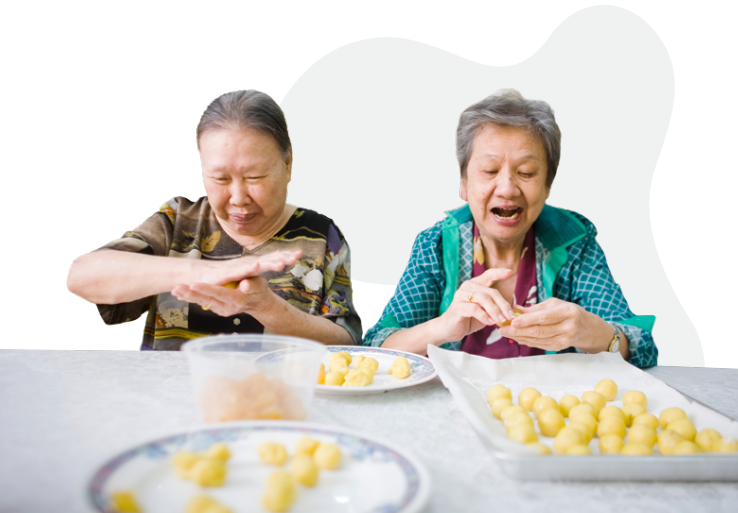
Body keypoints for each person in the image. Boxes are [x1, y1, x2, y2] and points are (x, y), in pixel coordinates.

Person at [361, 89, 656, 368]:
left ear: (547, 185)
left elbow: (642, 347)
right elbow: (375, 347)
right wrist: (443, 326)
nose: (507, 188)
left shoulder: (574, 242)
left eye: (526, 172)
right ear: (464, 184)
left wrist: (596, 334)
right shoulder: (436, 244)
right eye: (489, 171)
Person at [67, 90, 361, 350]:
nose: (238, 197)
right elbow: (82, 277)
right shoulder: (179, 220)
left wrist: (266, 306)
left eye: (254, 177)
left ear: (287, 164)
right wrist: (201, 271)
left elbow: (346, 343)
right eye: (220, 178)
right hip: (171, 404)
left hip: (278, 405)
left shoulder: (321, 235)